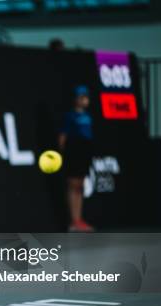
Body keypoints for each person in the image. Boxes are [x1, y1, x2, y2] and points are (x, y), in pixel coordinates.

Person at [58, 85, 95, 232]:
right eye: (82, 97)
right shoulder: (70, 116)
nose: (85, 100)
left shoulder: (88, 116)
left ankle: (79, 220)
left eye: (86, 97)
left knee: (80, 186)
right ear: (76, 99)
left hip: (84, 154)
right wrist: (63, 154)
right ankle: (73, 221)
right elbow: (62, 137)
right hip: (73, 153)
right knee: (73, 186)